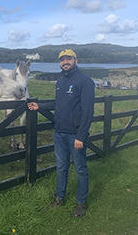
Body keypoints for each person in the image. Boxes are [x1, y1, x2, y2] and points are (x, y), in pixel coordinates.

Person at [27, 49, 95, 218]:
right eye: (62, 59)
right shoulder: (60, 81)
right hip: (59, 133)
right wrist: (39, 106)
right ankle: (59, 198)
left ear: (75, 60)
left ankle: (81, 203)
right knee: (61, 168)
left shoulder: (85, 81)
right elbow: (59, 103)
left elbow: (88, 112)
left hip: (75, 135)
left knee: (80, 170)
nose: (65, 62)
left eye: (68, 59)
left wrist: (80, 136)